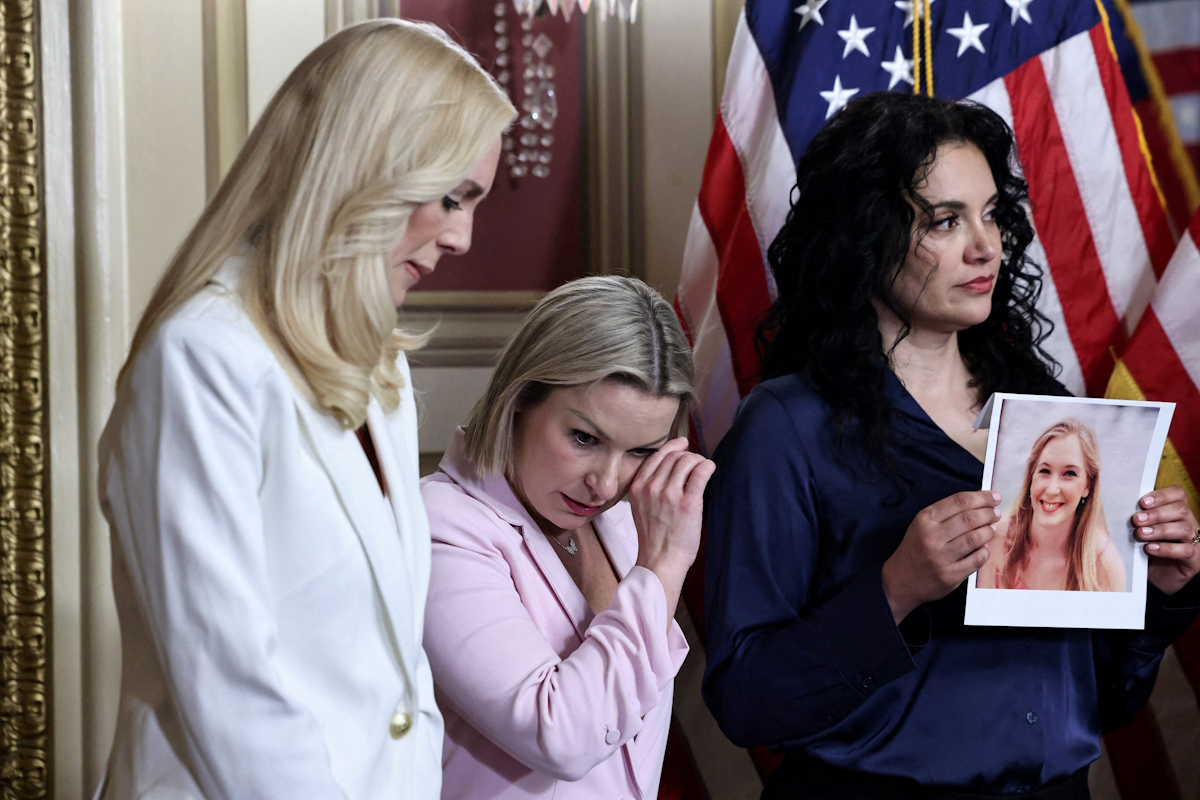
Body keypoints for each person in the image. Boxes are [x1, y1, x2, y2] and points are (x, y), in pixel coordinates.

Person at [702, 92, 1200, 799]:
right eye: (945, 220)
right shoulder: (786, 427)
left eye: (991, 214)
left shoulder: (1048, 417)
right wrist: (895, 589)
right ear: (864, 233)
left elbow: (1106, 698)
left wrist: (1161, 592)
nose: (985, 246)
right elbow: (747, 702)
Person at [95, 20, 514, 800]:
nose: (462, 237)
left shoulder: (379, 365)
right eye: (452, 196)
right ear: (366, 167)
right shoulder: (201, 359)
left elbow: (394, 668)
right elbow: (230, 688)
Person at [421, 276, 714, 800]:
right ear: (520, 398)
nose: (606, 483)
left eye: (641, 452)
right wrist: (664, 567)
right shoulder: (440, 527)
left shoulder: (622, 522)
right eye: (584, 438)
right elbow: (561, 738)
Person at [978, 418, 1125, 592]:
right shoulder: (996, 538)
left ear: (1088, 486)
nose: (1052, 489)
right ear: (1031, 476)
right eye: (1045, 471)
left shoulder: (1106, 567)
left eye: (1069, 474)